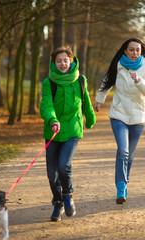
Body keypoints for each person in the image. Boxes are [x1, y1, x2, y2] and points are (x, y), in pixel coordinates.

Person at [93, 38, 145, 204]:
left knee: (130, 155)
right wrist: (99, 100)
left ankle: (125, 182)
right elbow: (107, 83)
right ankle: (121, 188)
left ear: (141, 52)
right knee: (123, 150)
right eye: (132, 50)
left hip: (137, 116)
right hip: (119, 113)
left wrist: (139, 81)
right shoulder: (118, 65)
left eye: (138, 50)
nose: (135, 53)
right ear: (125, 51)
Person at [40, 47, 96, 221]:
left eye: (65, 60)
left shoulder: (80, 80)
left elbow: (85, 100)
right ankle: (58, 203)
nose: (63, 63)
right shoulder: (48, 82)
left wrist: (90, 117)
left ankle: (68, 196)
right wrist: (52, 119)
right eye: (59, 61)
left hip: (72, 128)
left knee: (64, 165)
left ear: (71, 61)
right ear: (54, 63)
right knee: (52, 173)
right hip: (53, 131)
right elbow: (46, 105)